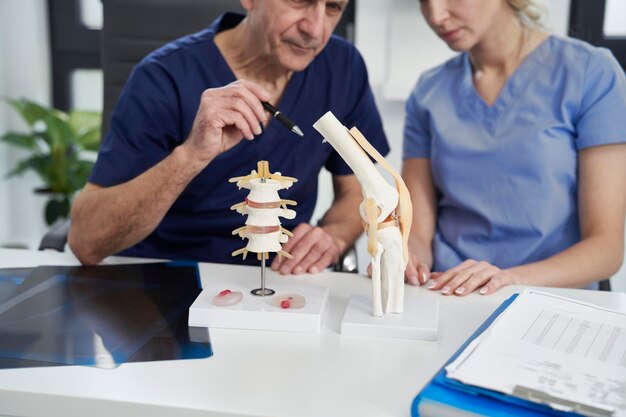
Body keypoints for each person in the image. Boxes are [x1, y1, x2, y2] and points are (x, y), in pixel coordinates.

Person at [68, 0, 389, 275]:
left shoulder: (343, 67)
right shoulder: (162, 77)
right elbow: (87, 241)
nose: (316, 30)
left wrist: (333, 235)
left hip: (279, 280)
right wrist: (191, 154)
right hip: (166, 282)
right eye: (298, 0)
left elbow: (361, 189)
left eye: (333, 6)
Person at [402, 0, 626, 295]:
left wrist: (508, 279)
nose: (435, 15)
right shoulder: (428, 92)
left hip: (553, 299)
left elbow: (605, 249)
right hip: (450, 294)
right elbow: (417, 231)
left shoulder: (590, 73)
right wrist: (406, 258)